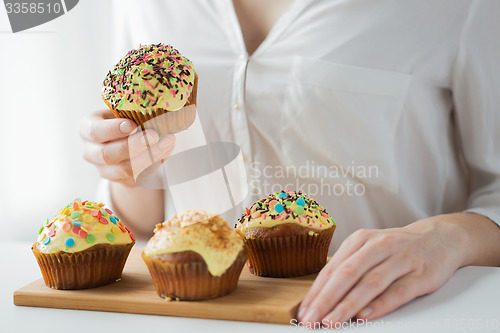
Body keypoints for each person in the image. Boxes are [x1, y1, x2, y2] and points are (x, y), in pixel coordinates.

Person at [80, 0, 500, 327]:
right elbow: (144, 215)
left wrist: (450, 237)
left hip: (390, 315)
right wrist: (125, 167)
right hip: (190, 313)